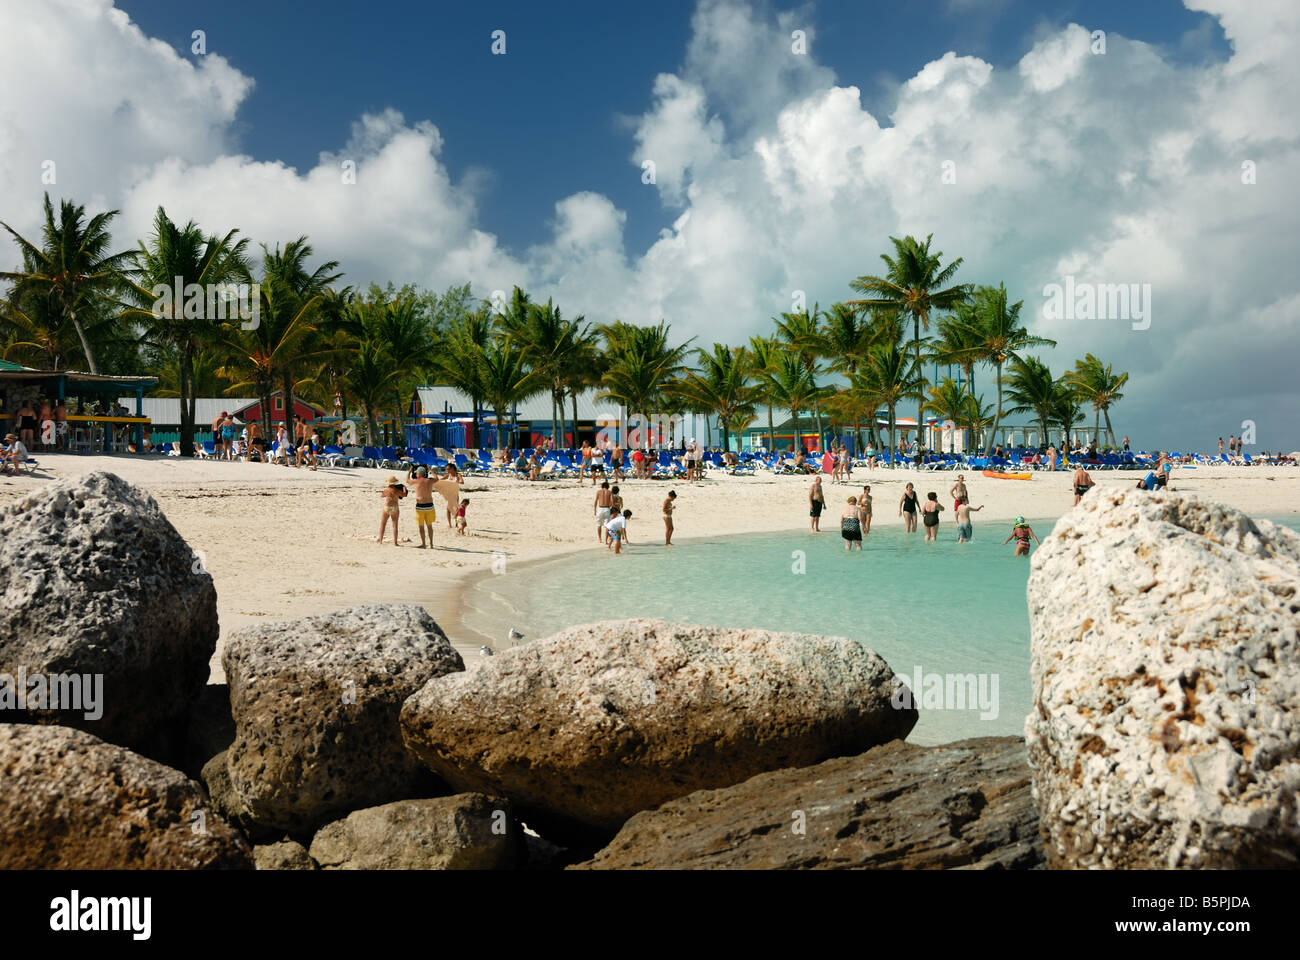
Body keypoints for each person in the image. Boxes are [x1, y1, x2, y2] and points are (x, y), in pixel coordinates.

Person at [407, 465, 437, 547]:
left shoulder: (416, 481)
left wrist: (410, 471)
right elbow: (436, 478)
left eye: (417, 473)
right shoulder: (430, 480)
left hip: (420, 506)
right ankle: (431, 543)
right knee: (429, 526)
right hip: (430, 505)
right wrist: (431, 470)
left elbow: (407, 480)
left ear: (419, 474)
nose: (416, 474)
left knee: (421, 526)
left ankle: (424, 543)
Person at [377, 475, 406, 545]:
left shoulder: (386, 490)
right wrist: (404, 488)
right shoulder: (397, 490)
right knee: (395, 525)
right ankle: (395, 543)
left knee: (383, 524)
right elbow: (404, 495)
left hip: (387, 507)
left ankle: (380, 541)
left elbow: (382, 496)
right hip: (395, 507)